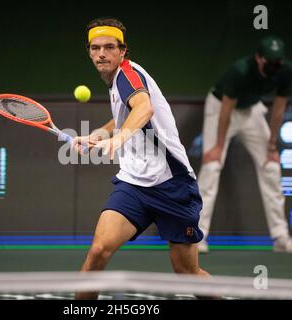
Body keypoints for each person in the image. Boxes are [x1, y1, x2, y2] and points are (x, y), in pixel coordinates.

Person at [72, 17, 209, 299]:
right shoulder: (115, 81)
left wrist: (119, 138)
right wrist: (101, 133)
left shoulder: (128, 75)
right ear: (89, 51)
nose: (101, 53)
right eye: (95, 48)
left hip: (172, 184)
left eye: (109, 47)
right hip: (133, 184)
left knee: (187, 273)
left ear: (123, 51)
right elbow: (125, 112)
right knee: (98, 251)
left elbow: (143, 108)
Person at [197, 36, 292, 253]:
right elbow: (227, 109)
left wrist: (272, 145)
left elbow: (279, 108)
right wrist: (217, 146)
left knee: (271, 166)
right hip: (221, 109)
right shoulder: (241, 71)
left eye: (277, 62)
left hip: (252, 110)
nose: (273, 66)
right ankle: (198, 237)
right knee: (212, 166)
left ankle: (281, 237)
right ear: (259, 58)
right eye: (269, 61)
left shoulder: (285, 71)